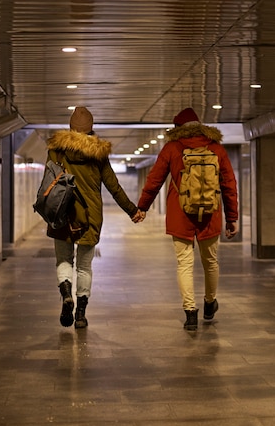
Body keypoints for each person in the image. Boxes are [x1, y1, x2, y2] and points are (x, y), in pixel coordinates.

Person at [137, 107, 238, 331]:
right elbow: (229, 184)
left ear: (177, 129)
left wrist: (142, 207)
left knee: (185, 264)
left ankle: (190, 313)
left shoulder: (172, 148)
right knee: (210, 262)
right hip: (211, 215)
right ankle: (210, 304)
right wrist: (231, 218)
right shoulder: (216, 149)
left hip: (180, 214)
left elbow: (154, 180)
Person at [46, 106, 144, 329]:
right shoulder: (98, 154)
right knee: (84, 266)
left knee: (63, 259)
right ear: (91, 130)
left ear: (70, 127)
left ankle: (66, 294)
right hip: (90, 216)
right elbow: (113, 186)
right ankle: (80, 314)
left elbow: (47, 181)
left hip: (62, 213)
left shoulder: (56, 150)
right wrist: (132, 210)